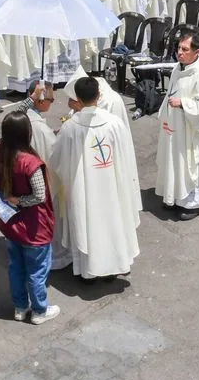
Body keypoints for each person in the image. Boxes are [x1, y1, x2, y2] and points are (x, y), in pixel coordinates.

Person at [48, 77, 141, 280]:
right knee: (112, 222)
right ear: (98, 96)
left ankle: (88, 273)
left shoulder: (70, 127)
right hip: (111, 186)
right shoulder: (114, 123)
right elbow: (126, 156)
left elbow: (56, 160)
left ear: (78, 99)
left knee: (87, 224)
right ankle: (113, 267)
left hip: (84, 188)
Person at [0, 111, 59, 325]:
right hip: (34, 227)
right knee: (37, 272)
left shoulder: (1, 150)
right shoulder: (30, 163)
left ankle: (20, 307)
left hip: (11, 224)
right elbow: (39, 196)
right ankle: (39, 310)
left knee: (16, 268)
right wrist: (19, 201)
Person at [157, 32, 199, 220]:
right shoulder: (178, 68)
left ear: (196, 52)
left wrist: (182, 103)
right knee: (174, 161)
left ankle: (196, 203)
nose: (180, 52)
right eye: (178, 48)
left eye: (185, 49)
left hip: (192, 130)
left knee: (191, 164)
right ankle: (174, 197)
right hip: (175, 127)